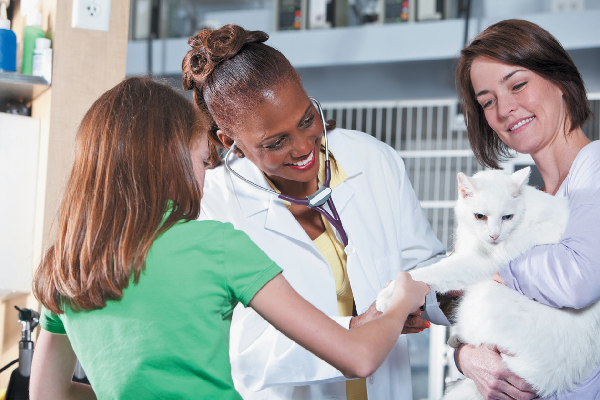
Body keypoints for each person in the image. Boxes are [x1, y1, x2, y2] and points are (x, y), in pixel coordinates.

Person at [28, 77, 431, 400]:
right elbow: (359, 358)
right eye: (204, 160)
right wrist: (398, 306)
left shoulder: (65, 265)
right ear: (172, 156)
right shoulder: (213, 244)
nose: (205, 178)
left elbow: (47, 393)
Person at [182, 24, 446, 400]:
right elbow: (230, 348)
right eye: (276, 142)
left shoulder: (371, 159)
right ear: (230, 142)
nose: (304, 146)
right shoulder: (214, 205)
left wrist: (466, 298)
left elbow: (423, 267)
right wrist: (349, 331)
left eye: (307, 119)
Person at [454, 19, 600, 399]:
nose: (504, 109)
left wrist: (491, 274)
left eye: (518, 84)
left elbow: (578, 277)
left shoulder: (595, 167)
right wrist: (466, 354)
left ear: (560, 79)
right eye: (487, 101)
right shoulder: (531, 201)